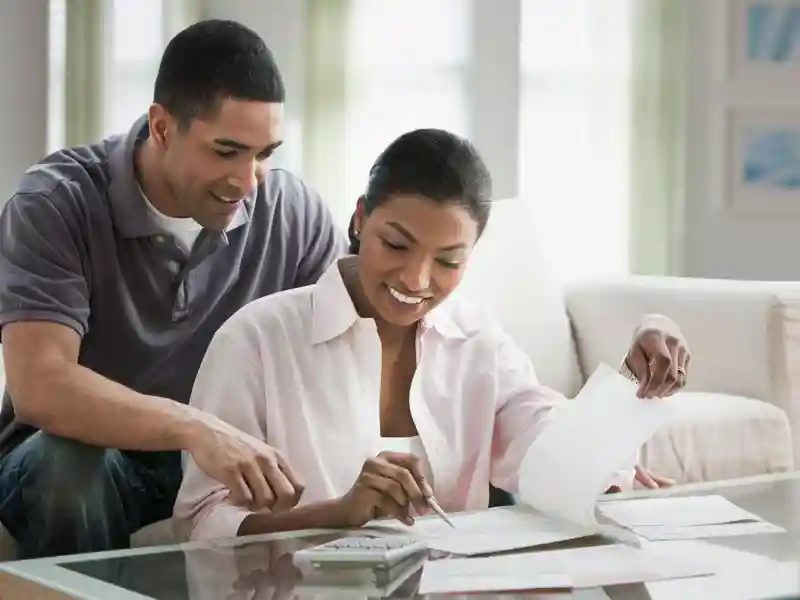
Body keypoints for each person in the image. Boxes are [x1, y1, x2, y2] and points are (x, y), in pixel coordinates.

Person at [173, 128, 689, 542]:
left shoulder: (477, 341)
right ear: (360, 218)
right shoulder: (258, 340)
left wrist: (637, 363)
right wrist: (337, 514)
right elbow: (202, 522)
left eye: (448, 261)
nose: (416, 280)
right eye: (396, 244)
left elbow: (551, 452)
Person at [0, 20, 346, 558]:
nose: (247, 180)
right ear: (162, 128)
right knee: (65, 468)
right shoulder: (55, 203)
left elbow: (336, 358)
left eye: (264, 153)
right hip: (87, 456)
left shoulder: (294, 214)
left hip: (230, 461)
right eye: (226, 150)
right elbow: (41, 385)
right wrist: (196, 429)